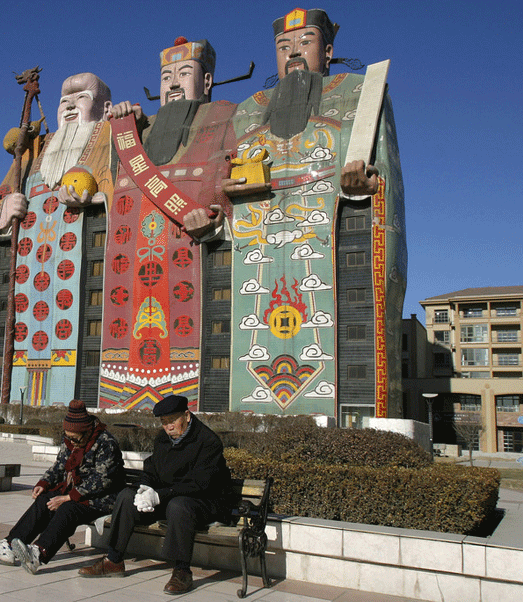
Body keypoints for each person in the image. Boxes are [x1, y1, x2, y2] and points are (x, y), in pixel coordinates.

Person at [227, 7, 405, 417]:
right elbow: (225, 174)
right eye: (283, 46)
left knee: (339, 326)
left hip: (331, 228)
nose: (293, 52)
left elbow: (384, 169)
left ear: (326, 52)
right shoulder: (248, 109)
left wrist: (370, 184)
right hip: (260, 234)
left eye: (305, 42)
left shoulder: (362, 90)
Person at [97, 39, 243, 412]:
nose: (173, 83)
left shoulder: (225, 114)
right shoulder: (137, 129)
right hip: (132, 253)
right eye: (166, 76)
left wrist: (213, 212)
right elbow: (101, 180)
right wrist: (125, 125)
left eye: (184, 73)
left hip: (189, 254)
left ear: (206, 81)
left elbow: (230, 171)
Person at [0, 72, 114, 406]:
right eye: (63, 101)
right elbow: (2, 199)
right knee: (22, 335)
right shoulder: (34, 151)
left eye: (81, 98)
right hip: (29, 271)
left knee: (78, 337)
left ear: (104, 108)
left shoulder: (111, 137)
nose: (70, 106)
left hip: (81, 268)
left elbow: (128, 192)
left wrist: (97, 199)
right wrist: (4, 213)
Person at [79, 394, 229, 594]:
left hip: (203, 502)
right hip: (170, 497)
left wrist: (160, 496)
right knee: (127, 496)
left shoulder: (208, 441)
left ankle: (182, 571)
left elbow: (200, 483)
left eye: (172, 420)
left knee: (179, 506)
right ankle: (113, 560)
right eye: (164, 422)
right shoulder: (163, 439)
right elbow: (152, 468)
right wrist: (145, 488)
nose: (168, 426)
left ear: (186, 416)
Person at [0, 399, 125, 574]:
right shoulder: (70, 441)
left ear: (86, 432)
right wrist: (44, 483)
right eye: (68, 437)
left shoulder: (105, 442)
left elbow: (104, 480)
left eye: (74, 438)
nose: (71, 441)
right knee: (44, 500)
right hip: (78, 493)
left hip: (103, 498)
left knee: (68, 508)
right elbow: (59, 466)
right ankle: (9, 546)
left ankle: (38, 553)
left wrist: (69, 497)